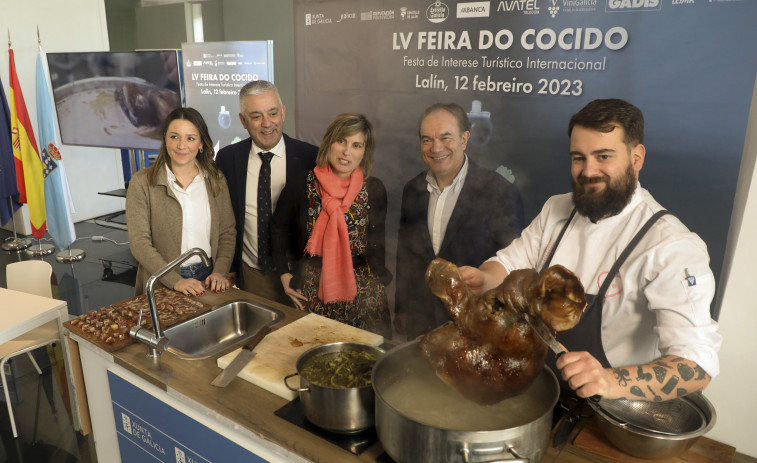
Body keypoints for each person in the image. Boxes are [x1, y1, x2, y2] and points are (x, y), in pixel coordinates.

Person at [461, 99, 721, 401]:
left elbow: (696, 365)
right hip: (538, 387)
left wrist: (608, 381)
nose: (588, 171)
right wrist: (483, 278)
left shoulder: (670, 245)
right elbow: (509, 263)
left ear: (636, 158)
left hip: (608, 409)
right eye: (578, 158)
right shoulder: (557, 208)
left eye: (603, 156)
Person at [394, 103, 525, 340]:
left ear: (465, 139)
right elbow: (405, 255)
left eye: (446, 137)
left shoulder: (499, 191)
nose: (436, 148)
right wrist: (402, 309)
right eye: (427, 139)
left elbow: (515, 266)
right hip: (419, 320)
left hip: (475, 324)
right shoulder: (412, 189)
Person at [272, 113, 393, 337]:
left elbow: (378, 245)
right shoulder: (302, 184)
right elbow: (277, 228)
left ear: (364, 152)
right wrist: (283, 273)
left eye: (356, 145)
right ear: (329, 142)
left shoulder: (374, 189)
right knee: (315, 358)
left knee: (366, 362)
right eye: (341, 141)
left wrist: (378, 284)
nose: (347, 152)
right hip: (312, 292)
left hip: (364, 296)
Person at [216, 80, 317, 304]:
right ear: (243, 121)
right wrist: (229, 267)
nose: (267, 123)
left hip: (301, 276)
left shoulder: (312, 158)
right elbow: (223, 220)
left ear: (283, 112)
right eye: (256, 116)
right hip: (253, 275)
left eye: (272, 113)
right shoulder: (227, 159)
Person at [126, 107, 236, 296]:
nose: (181, 146)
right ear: (165, 139)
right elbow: (139, 243)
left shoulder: (216, 180)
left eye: (190, 138)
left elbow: (227, 232)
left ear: (201, 143)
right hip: (162, 278)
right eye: (174, 137)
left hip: (208, 276)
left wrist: (220, 271)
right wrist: (175, 280)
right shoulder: (142, 182)